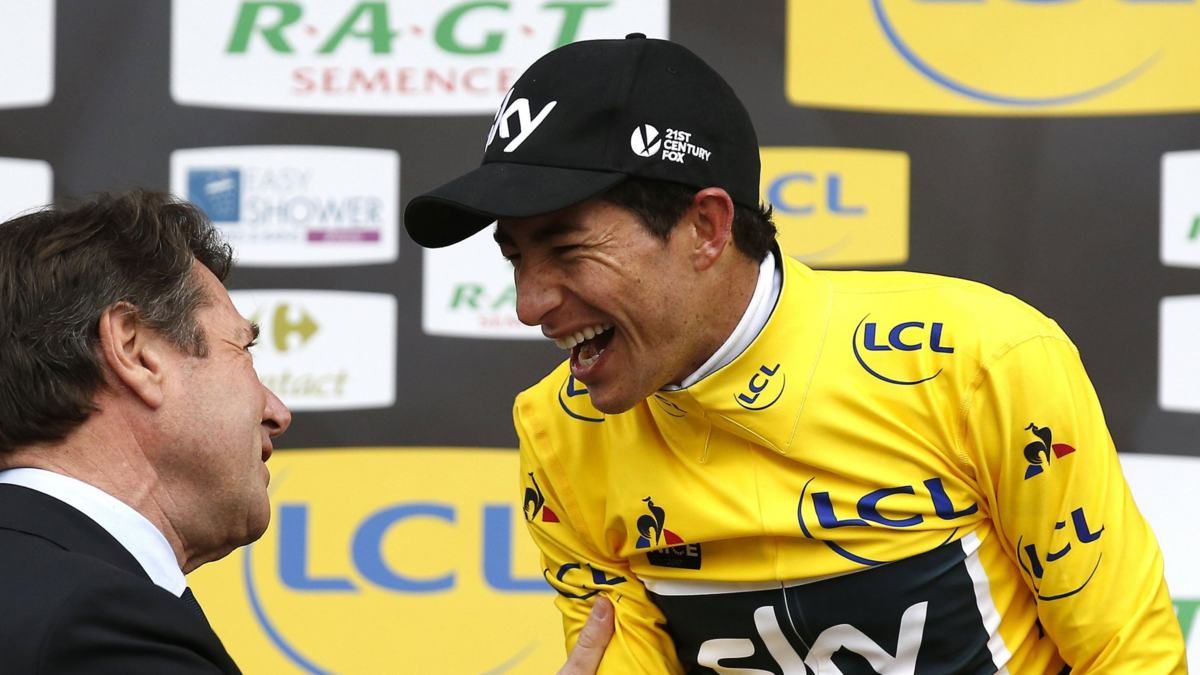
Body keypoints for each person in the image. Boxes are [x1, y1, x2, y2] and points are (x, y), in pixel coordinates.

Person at [404, 35, 1188, 674]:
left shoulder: (977, 358)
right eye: (515, 258)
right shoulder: (558, 430)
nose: (530, 304)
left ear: (707, 228)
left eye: (569, 250)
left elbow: (1128, 654)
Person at [0, 190, 616, 675]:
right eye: (242, 350)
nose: (277, 411)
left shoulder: (52, 588)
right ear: (136, 351)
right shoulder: (91, 620)